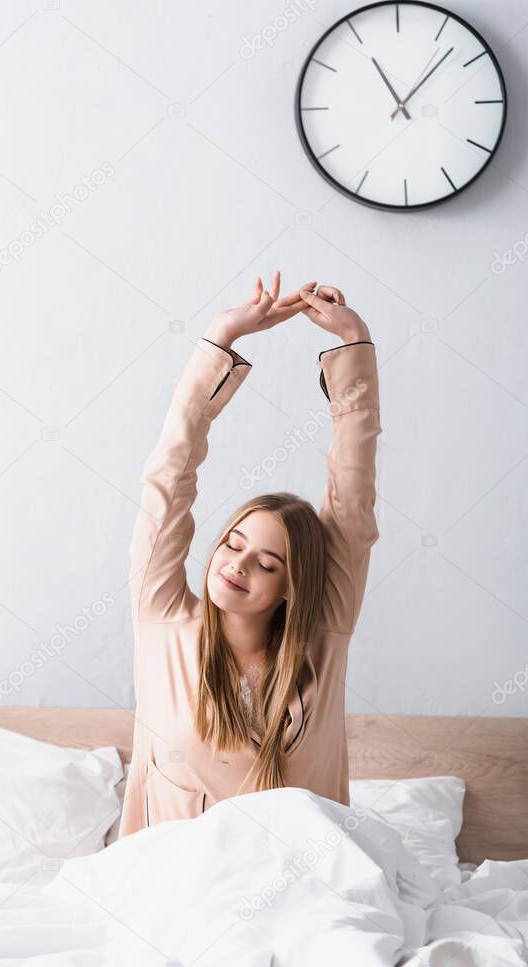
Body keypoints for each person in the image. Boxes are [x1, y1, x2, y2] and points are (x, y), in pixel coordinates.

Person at [118, 272, 381, 837]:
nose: (237, 564)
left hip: (302, 889)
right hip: (175, 894)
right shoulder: (162, 616)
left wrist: (354, 347)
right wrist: (221, 337)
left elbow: (352, 503)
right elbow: (169, 478)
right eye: (234, 544)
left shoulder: (321, 638)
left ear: (293, 585)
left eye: (267, 563)